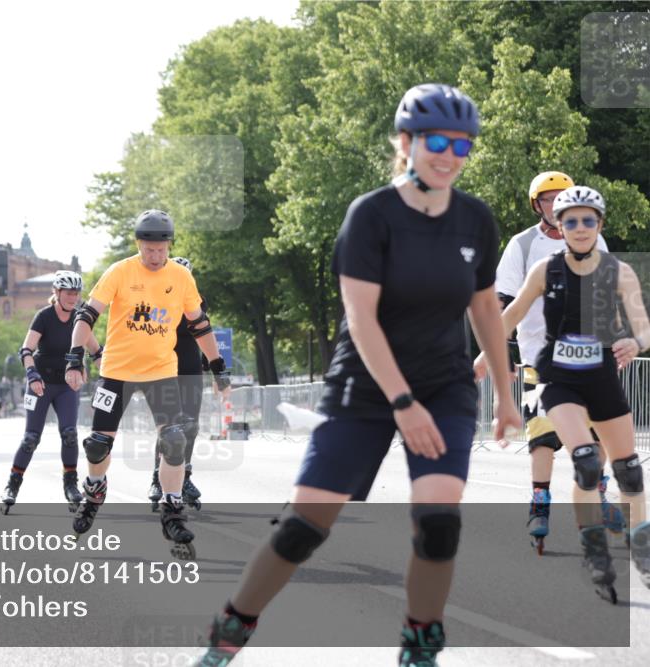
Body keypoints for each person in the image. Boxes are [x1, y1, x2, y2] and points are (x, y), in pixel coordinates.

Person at [196, 84, 520, 667]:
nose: (450, 156)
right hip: (365, 387)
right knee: (303, 528)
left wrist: (504, 391)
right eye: (437, 142)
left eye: (462, 145)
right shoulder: (372, 215)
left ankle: (420, 647)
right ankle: (229, 633)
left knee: (439, 524)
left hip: (443, 385)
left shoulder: (475, 219)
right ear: (406, 142)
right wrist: (402, 402)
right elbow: (362, 319)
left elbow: (484, 309)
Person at [485, 185, 650, 599]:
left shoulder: (619, 272)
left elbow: (642, 326)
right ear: (559, 227)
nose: (579, 227)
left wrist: (635, 343)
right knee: (586, 462)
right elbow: (512, 313)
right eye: (570, 221)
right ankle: (595, 551)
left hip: (601, 376)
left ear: (600, 225)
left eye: (588, 220)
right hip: (557, 378)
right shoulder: (545, 269)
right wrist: (485, 354)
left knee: (629, 471)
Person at [65, 210, 232, 559]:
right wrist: (75, 358)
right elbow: (87, 315)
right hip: (117, 372)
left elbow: (200, 325)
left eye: (161, 249)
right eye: (149, 249)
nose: (155, 256)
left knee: (174, 439)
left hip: (160, 371)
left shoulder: (181, 276)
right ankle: (95, 488)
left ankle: (172, 511)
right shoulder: (120, 271)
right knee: (97, 447)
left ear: (169, 245)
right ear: (138, 244)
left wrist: (218, 368)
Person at [475, 171, 620, 554]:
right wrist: (490, 353)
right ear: (536, 205)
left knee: (597, 433)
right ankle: (539, 505)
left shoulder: (593, 238)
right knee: (542, 436)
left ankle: (599, 493)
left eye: (562, 198)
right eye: (548, 199)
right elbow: (506, 304)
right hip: (538, 356)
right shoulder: (523, 245)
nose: (556, 205)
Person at [1, 271, 102, 514]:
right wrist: (32, 375)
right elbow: (26, 350)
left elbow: (96, 352)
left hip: (67, 385)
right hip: (41, 383)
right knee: (31, 438)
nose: (73, 298)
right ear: (56, 293)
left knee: (70, 434)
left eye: (76, 293)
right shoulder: (44, 316)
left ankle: (71, 486)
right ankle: (12, 486)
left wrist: (109, 376)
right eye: (68, 293)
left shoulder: (80, 317)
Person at [146, 257, 208, 511]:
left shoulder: (198, 300)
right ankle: (157, 479)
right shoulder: (155, 298)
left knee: (190, 426)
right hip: (163, 369)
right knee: (169, 428)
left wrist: (211, 360)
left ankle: (185, 477)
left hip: (191, 368)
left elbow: (204, 331)